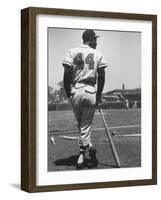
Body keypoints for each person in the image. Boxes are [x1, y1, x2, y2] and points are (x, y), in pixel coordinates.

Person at [62, 29, 108, 169]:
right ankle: (82, 155)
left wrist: (68, 92)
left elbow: (67, 73)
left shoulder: (72, 51)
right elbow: (102, 75)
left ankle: (90, 147)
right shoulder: (98, 54)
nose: (97, 41)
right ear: (89, 39)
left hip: (75, 90)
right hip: (90, 91)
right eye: (95, 39)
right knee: (85, 125)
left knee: (81, 125)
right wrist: (99, 95)